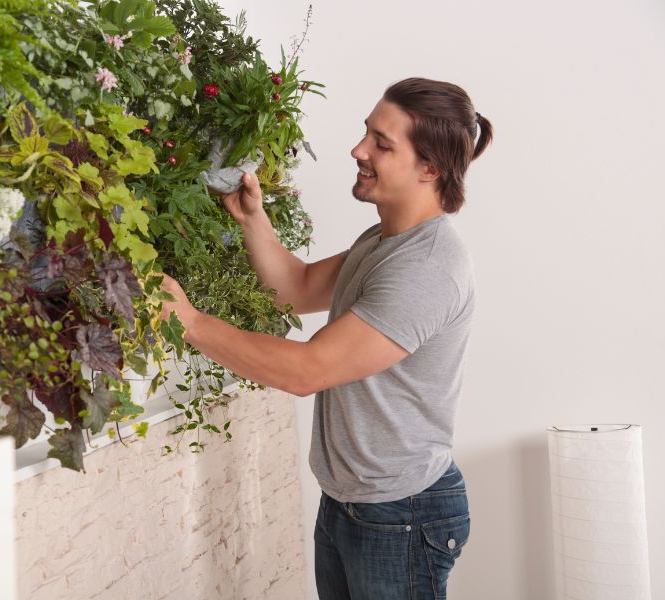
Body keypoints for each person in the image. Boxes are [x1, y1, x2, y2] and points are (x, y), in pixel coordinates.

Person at [158, 77, 493, 599]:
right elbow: (297, 289)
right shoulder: (383, 241)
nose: (359, 150)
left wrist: (192, 323)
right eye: (367, 134)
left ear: (430, 168)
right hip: (352, 503)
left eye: (382, 144)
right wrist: (253, 219)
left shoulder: (427, 267)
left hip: (401, 515)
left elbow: (307, 370)